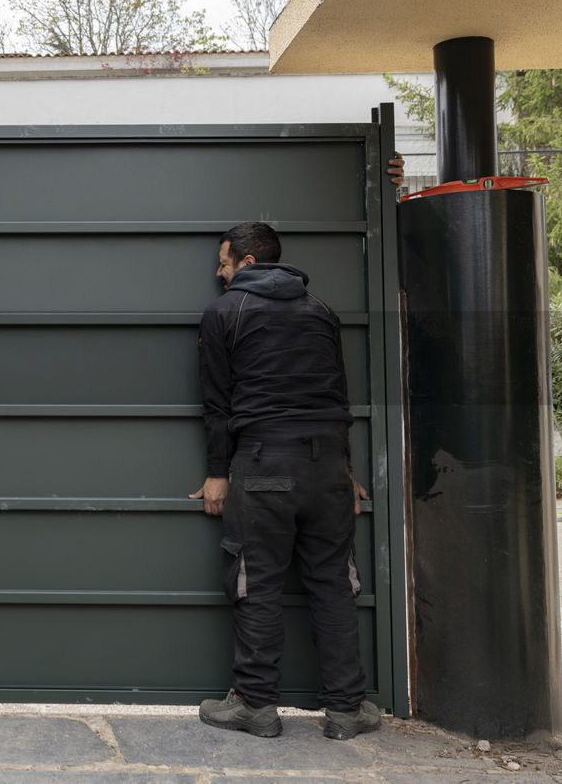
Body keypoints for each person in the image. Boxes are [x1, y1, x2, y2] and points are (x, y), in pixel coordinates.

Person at [188, 221, 381, 741]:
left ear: (248, 262)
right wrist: (346, 473)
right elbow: (337, 398)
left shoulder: (224, 312)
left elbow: (217, 404)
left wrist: (216, 473)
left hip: (264, 465)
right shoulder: (320, 310)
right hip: (327, 470)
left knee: (257, 584)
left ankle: (255, 705)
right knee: (334, 585)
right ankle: (346, 710)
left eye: (224, 262)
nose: (218, 272)